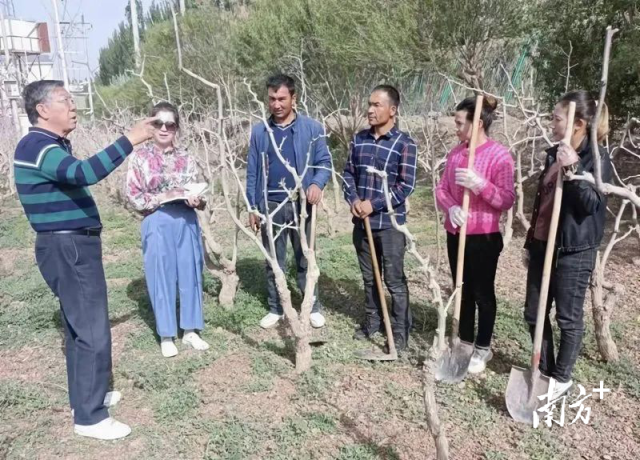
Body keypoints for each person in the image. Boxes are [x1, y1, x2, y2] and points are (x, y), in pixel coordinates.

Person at [13, 80, 155, 440]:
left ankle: (87, 398)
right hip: (68, 247)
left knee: (80, 329)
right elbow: (83, 173)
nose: (73, 107)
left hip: (70, 245)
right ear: (43, 110)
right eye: (65, 101)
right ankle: (91, 418)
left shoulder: (51, 144)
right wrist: (130, 138)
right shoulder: (36, 145)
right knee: (91, 330)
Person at [523, 90, 612, 399]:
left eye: (557, 118)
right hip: (542, 245)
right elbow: (544, 203)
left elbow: (591, 205)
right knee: (534, 314)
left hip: (574, 250)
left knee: (568, 318)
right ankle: (543, 370)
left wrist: (573, 170)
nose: (552, 122)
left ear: (578, 124)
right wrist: (531, 241)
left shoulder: (598, 159)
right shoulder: (552, 152)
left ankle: (561, 379)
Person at [245, 74, 332, 329]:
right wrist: (253, 206)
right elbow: (252, 171)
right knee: (274, 259)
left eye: (282, 98)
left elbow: (324, 163)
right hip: (271, 205)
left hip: (301, 203)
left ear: (294, 98)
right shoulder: (260, 131)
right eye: (272, 99)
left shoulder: (312, 129)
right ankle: (276, 307)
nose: (276, 104)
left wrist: (316, 183)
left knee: (305, 256)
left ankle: (312, 305)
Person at [435, 96, 515, 373]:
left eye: (459, 123)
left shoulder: (499, 156)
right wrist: (452, 207)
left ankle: (483, 347)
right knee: (462, 288)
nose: (455, 128)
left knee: (482, 292)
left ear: (477, 123)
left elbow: (506, 199)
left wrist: (481, 185)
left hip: (484, 236)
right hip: (456, 232)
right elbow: (441, 189)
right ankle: (465, 341)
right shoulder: (456, 153)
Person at [126, 102, 209, 358]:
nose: (164, 129)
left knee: (190, 272)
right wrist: (165, 196)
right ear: (151, 125)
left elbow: (200, 191)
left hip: (186, 219)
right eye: (158, 123)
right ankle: (166, 333)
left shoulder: (187, 157)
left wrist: (197, 200)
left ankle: (191, 330)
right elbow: (133, 195)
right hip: (157, 220)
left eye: (170, 124)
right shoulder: (139, 158)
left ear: (177, 128)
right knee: (160, 275)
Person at [343, 84, 417, 352]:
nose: (370, 110)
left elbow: (405, 186)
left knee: (394, 280)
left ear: (392, 110)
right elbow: (348, 173)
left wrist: (372, 204)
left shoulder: (404, 144)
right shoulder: (358, 139)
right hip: (362, 224)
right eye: (369, 104)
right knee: (369, 277)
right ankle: (373, 321)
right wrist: (353, 200)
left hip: (390, 226)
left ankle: (399, 330)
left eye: (377, 105)